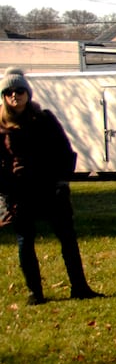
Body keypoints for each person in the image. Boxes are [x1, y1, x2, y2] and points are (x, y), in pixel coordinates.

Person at [0, 68, 99, 304]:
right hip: (20, 193)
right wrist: (5, 195)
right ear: (4, 96)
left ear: (28, 93)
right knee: (25, 241)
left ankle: (80, 287)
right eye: (9, 92)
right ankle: (35, 292)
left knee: (67, 238)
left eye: (20, 91)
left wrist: (62, 181)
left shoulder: (44, 119)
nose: (15, 96)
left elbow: (64, 151)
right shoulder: (1, 128)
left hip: (50, 188)